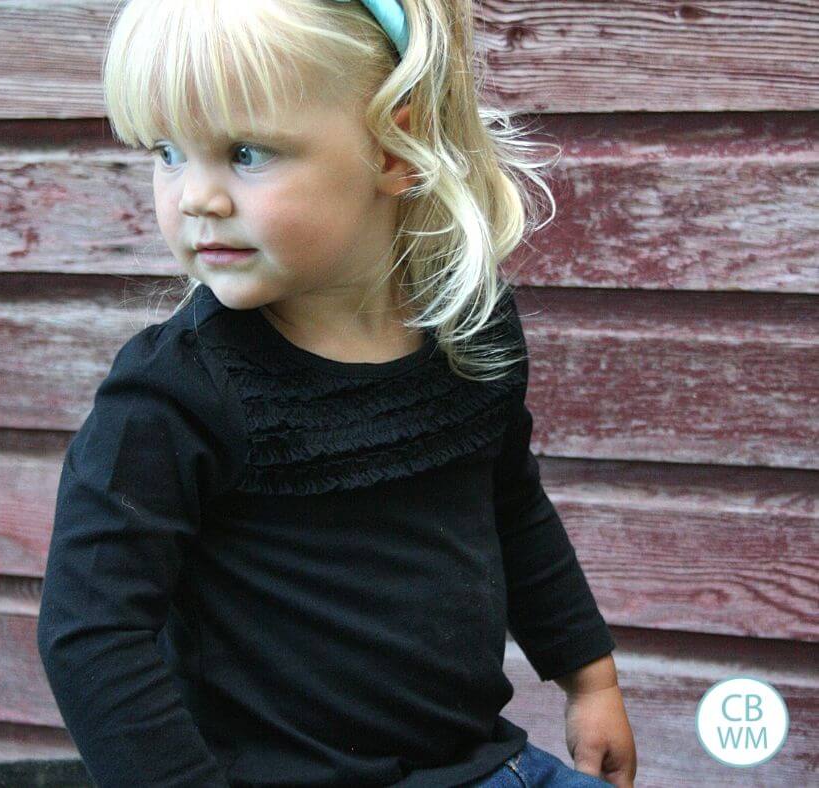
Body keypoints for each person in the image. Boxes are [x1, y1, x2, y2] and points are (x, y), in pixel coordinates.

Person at [36, 1, 638, 786]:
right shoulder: (171, 397)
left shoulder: (467, 326)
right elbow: (92, 630)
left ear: (396, 146)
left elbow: (511, 504)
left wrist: (590, 678)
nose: (195, 198)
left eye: (245, 153)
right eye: (169, 152)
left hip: (483, 766)